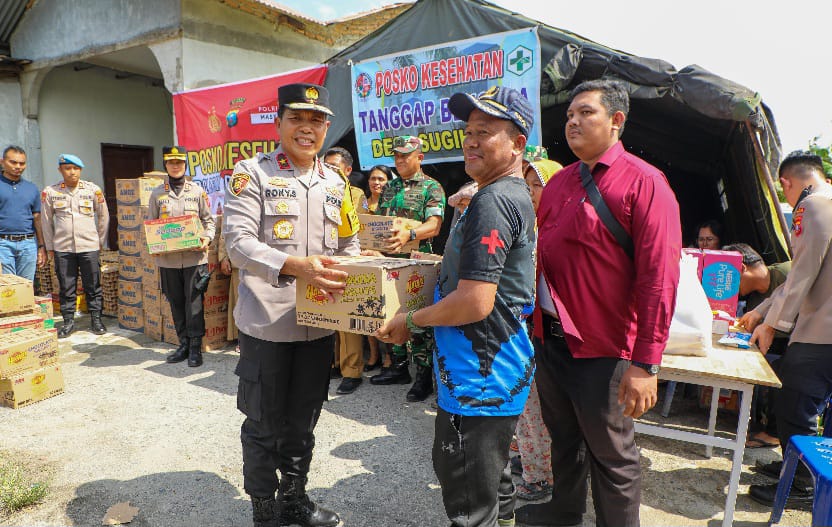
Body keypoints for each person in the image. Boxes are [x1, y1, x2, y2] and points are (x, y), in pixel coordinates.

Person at [518, 79, 682, 527]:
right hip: (550, 339)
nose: (572, 121)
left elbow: (659, 280)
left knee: (612, 456)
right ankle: (565, 513)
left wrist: (645, 363)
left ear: (616, 121)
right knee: (563, 440)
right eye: (569, 115)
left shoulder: (645, 182)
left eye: (585, 113)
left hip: (604, 349)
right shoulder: (559, 183)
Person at [376, 85, 537, 527]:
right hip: (493, 374)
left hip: (479, 377)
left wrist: (410, 319)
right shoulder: (506, 194)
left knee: (469, 503)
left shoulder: (494, 201)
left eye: (484, 132)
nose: (470, 140)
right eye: (468, 131)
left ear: (517, 144)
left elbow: (475, 300)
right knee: (494, 485)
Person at [224, 82, 359, 527]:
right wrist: (295, 266)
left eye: (317, 120)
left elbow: (350, 242)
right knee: (263, 424)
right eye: (297, 118)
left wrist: (358, 273)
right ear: (279, 122)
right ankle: (264, 510)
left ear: (327, 128)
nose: (308, 128)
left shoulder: (336, 182)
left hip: (318, 324)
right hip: (267, 324)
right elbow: (238, 246)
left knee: (304, 421)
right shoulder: (252, 174)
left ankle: (294, 500)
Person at [744, 150, 832, 507]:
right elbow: (799, 274)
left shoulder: (813, 205)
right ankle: (798, 468)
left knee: (794, 400)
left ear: (786, 183)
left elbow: (802, 273)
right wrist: (763, 311)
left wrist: (771, 324)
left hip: (821, 331)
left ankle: (802, 485)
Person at [369, 135, 446, 402]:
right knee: (390, 312)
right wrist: (373, 245)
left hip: (418, 263)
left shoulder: (431, 188)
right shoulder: (389, 187)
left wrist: (410, 233)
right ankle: (398, 368)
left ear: (420, 158)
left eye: (406, 155)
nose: (400, 160)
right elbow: (381, 224)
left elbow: (434, 225)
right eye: (397, 156)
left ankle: (423, 377)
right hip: (389, 261)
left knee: (419, 318)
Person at [512, 158, 563, 502]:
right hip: (525, 333)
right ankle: (533, 465)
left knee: (536, 410)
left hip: (546, 337)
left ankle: (539, 476)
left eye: (536, 185)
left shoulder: (557, 232)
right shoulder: (532, 227)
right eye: (527, 185)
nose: (530, 193)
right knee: (525, 407)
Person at [148, 146, 215, 367]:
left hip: (195, 259)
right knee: (176, 302)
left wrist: (207, 238)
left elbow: (209, 221)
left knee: (194, 303)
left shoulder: (197, 192)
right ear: (165, 165)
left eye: (179, 162)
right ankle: (183, 344)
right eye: (171, 162)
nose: (175, 166)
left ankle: (196, 348)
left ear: (185, 165)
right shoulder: (158, 194)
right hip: (168, 261)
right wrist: (154, 243)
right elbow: (151, 225)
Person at [727, 242, 791, 449]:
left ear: (741, 268)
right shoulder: (754, 300)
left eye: (729, 276)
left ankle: (773, 433)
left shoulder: (786, 273)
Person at [41, 154, 109, 338]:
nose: (72, 172)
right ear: (60, 170)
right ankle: (68, 321)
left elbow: (103, 216)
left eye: (76, 168)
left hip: (89, 246)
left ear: (80, 170)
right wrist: (50, 247)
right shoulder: (52, 192)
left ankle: (96, 319)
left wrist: (99, 241)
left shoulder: (92, 190)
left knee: (93, 284)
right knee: (66, 286)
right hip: (63, 248)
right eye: (67, 168)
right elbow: (46, 222)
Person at [323, 146, 367, 395]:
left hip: (348, 257)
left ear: (348, 170)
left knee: (348, 316)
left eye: (334, 167)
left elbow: (362, 228)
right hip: (324, 257)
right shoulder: (318, 191)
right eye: (325, 166)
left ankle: (352, 371)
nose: (328, 171)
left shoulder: (357, 194)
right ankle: (334, 364)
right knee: (327, 313)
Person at [358, 164, 394, 371]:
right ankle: (373, 356)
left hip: (387, 260)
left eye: (381, 179)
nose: (377, 183)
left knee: (386, 311)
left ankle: (389, 356)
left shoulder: (392, 205)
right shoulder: (362, 204)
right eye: (373, 179)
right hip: (365, 259)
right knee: (367, 310)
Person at [0, 146, 46, 280]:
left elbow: (37, 218)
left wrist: (41, 246)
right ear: (3, 162)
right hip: (3, 244)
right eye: (13, 162)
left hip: (28, 244)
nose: (18, 166)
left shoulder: (31, 188)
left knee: (26, 287)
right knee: (7, 288)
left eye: (22, 163)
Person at [217, 230, 239, 343]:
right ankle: (242, 340)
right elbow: (225, 231)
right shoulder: (232, 211)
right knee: (240, 303)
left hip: (264, 262)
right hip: (239, 263)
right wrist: (223, 258)